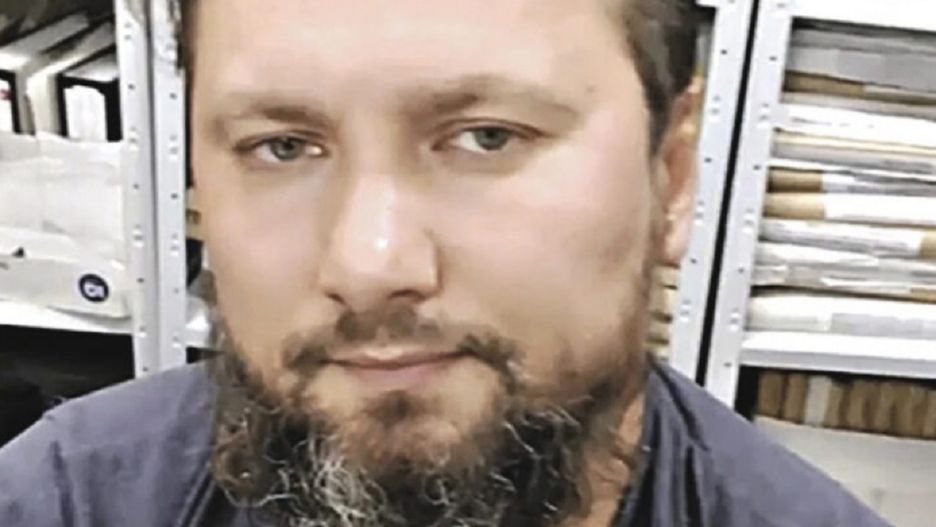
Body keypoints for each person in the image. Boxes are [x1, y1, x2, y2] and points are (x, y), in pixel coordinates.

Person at [0, 0, 891, 525]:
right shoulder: (65, 498)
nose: (368, 262)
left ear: (672, 176)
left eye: (487, 137)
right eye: (283, 146)